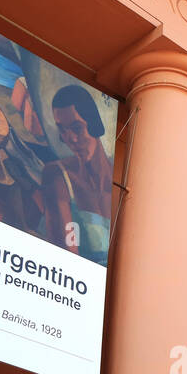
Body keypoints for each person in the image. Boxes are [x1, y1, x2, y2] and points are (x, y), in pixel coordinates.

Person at [42, 84, 114, 265]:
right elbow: (65, 258)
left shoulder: (120, 182)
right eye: (63, 131)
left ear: (94, 124)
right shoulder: (57, 176)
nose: (71, 139)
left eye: (77, 127)